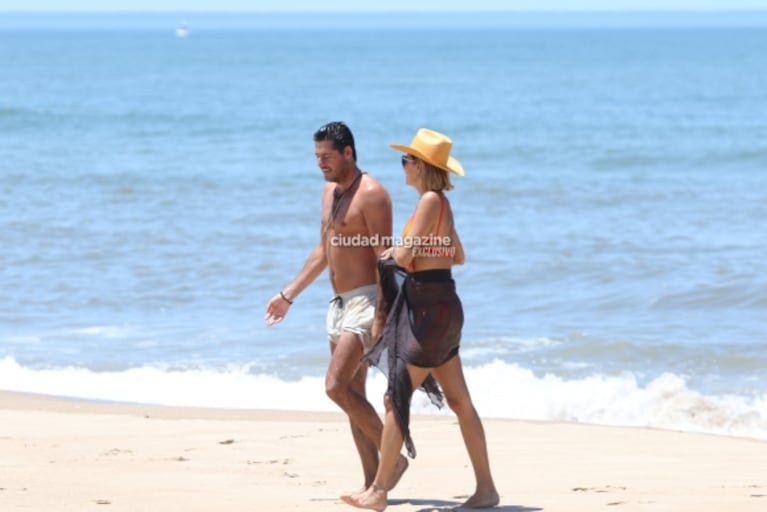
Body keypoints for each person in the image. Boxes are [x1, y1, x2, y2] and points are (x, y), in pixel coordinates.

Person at [341, 128, 499, 511]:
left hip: (427, 311)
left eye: (406, 160)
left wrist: (391, 250)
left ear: (422, 166)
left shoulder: (429, 201)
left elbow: (407, 257)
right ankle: (486, 490)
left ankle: (378, 491)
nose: (403, 166)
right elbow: (456, 255)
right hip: (442, 306)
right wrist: (416, 249)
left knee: (396, 398)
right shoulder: (439, 204)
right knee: (460, 401)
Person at [264, 121, 408, 493]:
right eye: (316, 156)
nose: (320, 163)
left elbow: (384, 260)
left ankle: (394, 460)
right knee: (352, 394)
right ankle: (371, 482)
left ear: (348, 153)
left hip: (367, 300)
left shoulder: (373, 194)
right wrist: (288, 295)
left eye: (326, 156)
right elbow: (323, 250)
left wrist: (380, 317)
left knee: (334, 385)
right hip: (340, 303)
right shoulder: (329, 193)